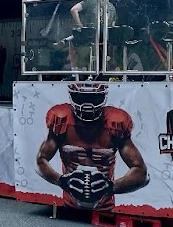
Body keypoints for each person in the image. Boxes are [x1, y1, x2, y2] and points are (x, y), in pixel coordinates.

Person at [35, 82, 149, 210]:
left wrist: (110, 187)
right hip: (69, 203)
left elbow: (141, 172)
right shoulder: (61, 119)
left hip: (105, 205)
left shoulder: (115, 123)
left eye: (93, 99)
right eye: (81, 98)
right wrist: (62, 181)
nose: (87, 105)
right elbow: (40, 161)